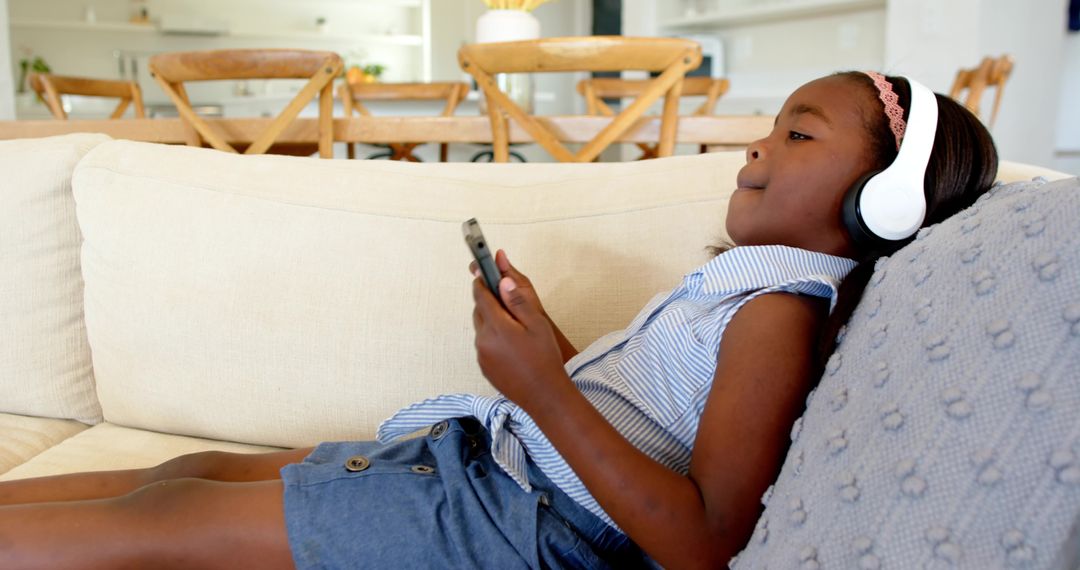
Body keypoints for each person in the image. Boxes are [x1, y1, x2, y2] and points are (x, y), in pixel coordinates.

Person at [0, 71, 998, 569]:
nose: (756, 142)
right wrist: (546, 340)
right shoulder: (747, 288)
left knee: (168, 522)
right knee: (181, 473)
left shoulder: (780, 316)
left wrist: (539, 386)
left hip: (509, 520)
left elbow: (697, 540)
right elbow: (635, 413)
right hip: (482, 464)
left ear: (884, 199)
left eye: (797, 131)